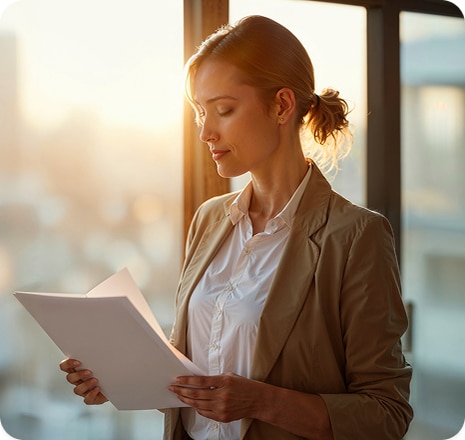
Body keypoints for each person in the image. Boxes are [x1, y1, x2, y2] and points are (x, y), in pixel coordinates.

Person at [60, 15, 413, 440]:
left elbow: (387, 414)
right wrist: (118, 375)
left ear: (282, 106)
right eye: (199, 112)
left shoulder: (356, 237)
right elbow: (192, 384)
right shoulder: (210, 218)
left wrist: (261, 402)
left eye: (224, 110)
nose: (206, 132)